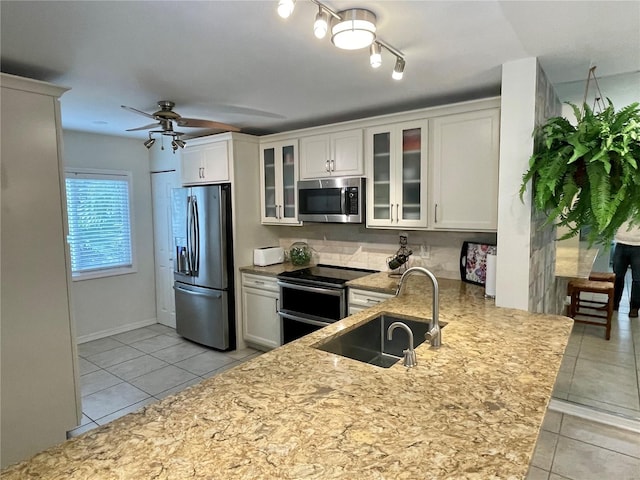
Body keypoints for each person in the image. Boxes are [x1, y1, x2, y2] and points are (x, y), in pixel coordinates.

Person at [612, 220, 640, 317]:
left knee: (637, 279)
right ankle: (613, 304)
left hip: (638, 244)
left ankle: (634, 308)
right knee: (617, 277)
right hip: (620, 242)